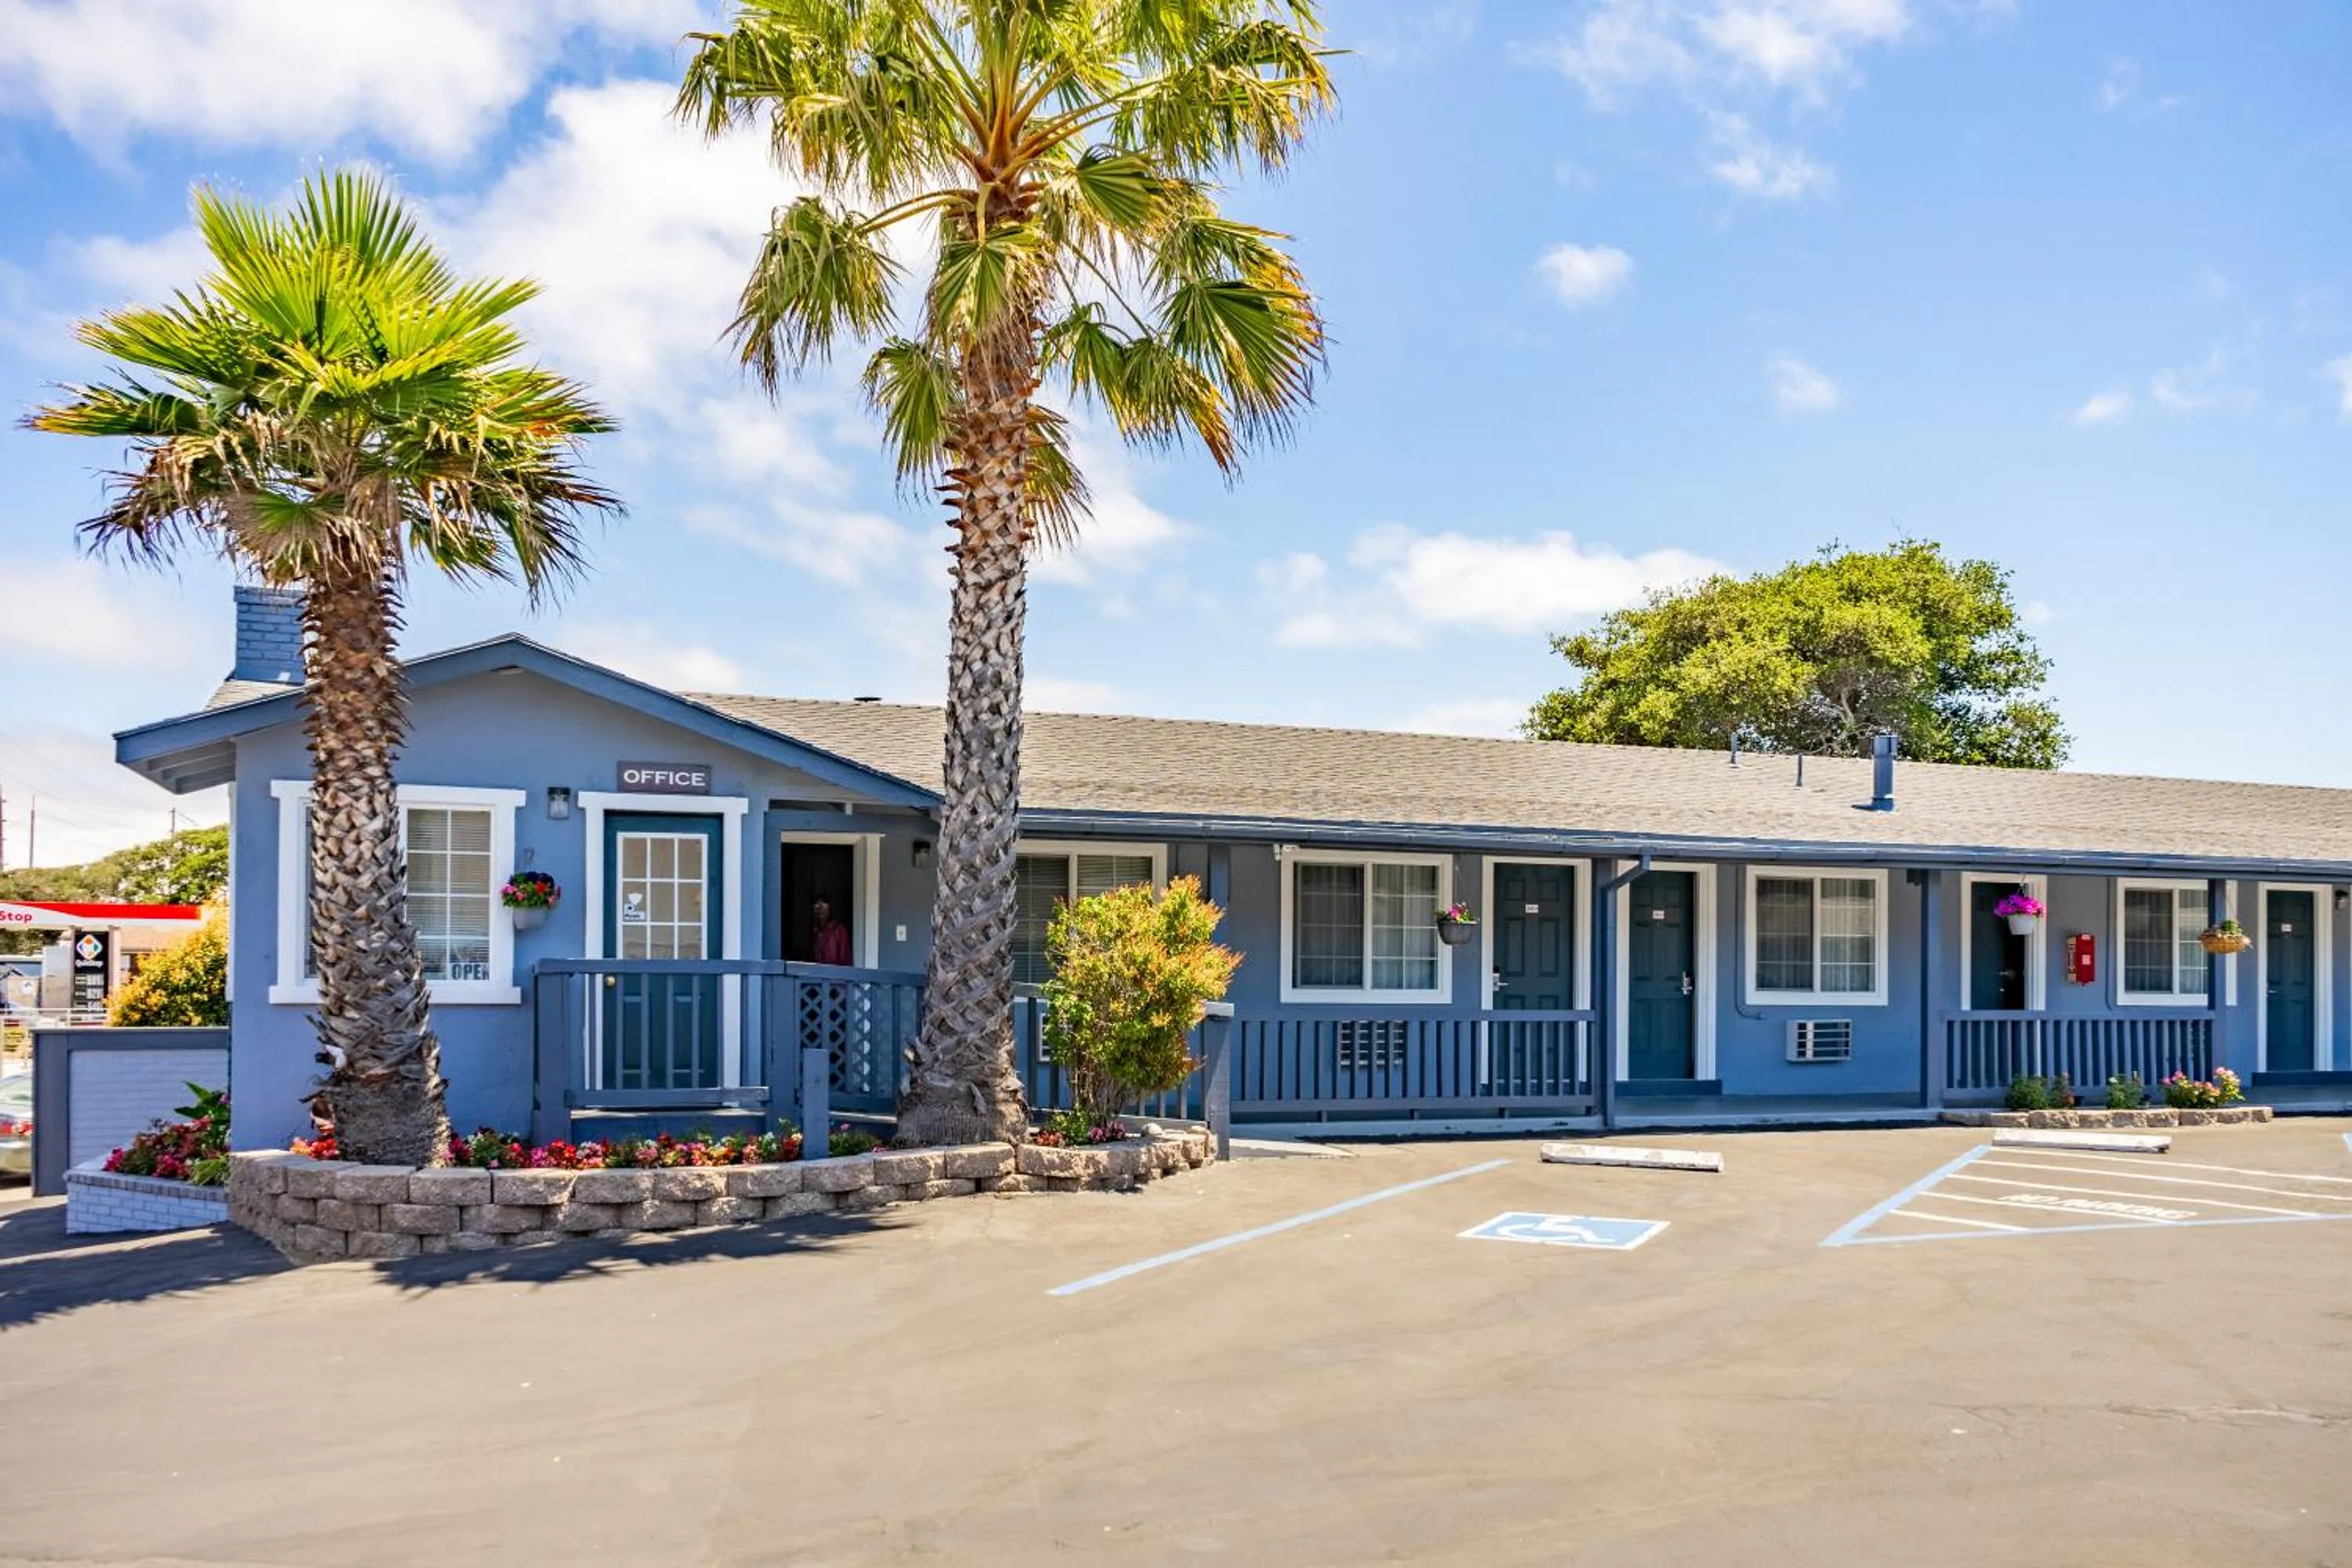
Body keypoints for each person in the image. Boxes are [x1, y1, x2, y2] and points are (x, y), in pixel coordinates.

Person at [811, 898, 853, 967]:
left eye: (823, 907)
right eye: (817, 907)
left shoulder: (839, 930)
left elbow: (845, 958)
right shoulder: (817, 932)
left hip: (835, 973)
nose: (820, 910)